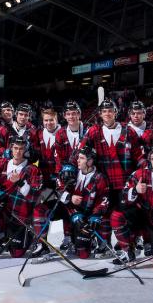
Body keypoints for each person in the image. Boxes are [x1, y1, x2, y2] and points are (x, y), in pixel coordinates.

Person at [78, 98, 144, 256]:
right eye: (104, 111)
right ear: (100, 114)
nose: (107, 113)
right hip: (104, 183)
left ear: (116, 112)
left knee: (124, 216)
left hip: (125, 183)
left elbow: (139, 157)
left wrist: (143, 173)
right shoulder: (93, 131)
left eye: (110, 110)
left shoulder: (129, 131)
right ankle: (104, 244)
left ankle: (128, 245)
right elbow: (81, 151)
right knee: (105, 215)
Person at [0, 136, 43, 258]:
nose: (18, 151)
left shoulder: (32, 169)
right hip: (2, 208)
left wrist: (20, 183)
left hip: (19, 214)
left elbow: (34, 196)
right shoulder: (2, 163)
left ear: (25, 150)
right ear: (11, 148)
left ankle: (28, 238)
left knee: (16, 253)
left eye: (21, 149)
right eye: (15, 148)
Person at [111, 144, 153, 266]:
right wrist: (135, 190)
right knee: (117, 216)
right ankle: (128, 251)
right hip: (143, 217)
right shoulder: (139, 174)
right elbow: (123, 196)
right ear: (149, 160)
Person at [51, 146, 109, 259]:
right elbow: (59, 189)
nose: (78, 160)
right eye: (78, 157)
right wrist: (69, 197)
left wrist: (95, 216)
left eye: (81, 158)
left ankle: (87, 242)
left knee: (83, 254)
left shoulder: (100, 178)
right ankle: (43, 243)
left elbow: (104, 200)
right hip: (69, 211)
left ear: (90, 161)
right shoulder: (73, 172)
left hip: (85, 215)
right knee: (42, 209)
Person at [53, 100, 86, 250]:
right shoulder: (60, 133)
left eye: (74, 113)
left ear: (79, 114)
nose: (71, 116)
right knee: (67, 204)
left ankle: (86, 236)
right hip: (68, 176)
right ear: (64, 116)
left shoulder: (88, 130)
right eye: (68, 114)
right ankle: (67, 236)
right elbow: (59, 157)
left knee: (84, 205)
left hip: (85, 175)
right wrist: (63, 171)